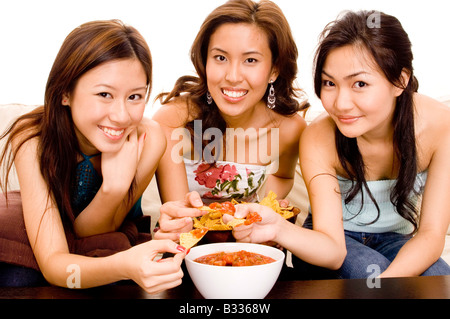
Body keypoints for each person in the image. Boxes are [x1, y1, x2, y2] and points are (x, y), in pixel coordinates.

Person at [225, 10, 450, 278]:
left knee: (437, 280)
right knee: (366, 276)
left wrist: (386, 286)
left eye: (360, 83)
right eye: (329, 83)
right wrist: (279, 228)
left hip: (398, 238)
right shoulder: (319, 136)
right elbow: (332, 250)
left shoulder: (440, 127)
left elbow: (431, 235)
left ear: (400, 81)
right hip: (331, 240)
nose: (341, 104)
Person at [0, 20, 187, 291]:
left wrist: (115, 188)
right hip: (42, 232)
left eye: (134, 96)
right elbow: (54, 264)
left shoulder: (149, 138)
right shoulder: (33, 140)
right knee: (18, 277)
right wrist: (113, 188)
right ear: (65, 92)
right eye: (104, 94)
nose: (121, 116)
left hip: (104, 237)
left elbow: (93, 234)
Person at [153, 0, 309, 241]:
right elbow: (179, 216)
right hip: (186, 242)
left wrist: (264, 209)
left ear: (274, 69)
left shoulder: (289, 128)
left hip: (251, 243)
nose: (233, 76)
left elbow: (284, 176)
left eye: (250, 60)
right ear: (205, 62)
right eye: (220, 58)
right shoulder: (173, 120)